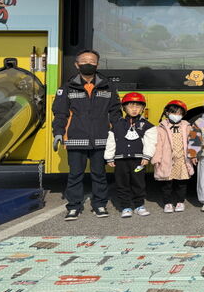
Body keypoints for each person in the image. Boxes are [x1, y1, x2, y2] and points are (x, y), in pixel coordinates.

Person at [52, 49, 121, 221]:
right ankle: (73, 206)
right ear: (77, 65)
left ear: (97, 64)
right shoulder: (67, 87)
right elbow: (60, 113)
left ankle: (100, 205)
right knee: (75, 175)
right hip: (76, 139)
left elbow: (115, 113)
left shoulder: (108, 86)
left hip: (101, 138)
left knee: (99, 174)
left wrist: (118, 134)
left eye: (92, 61)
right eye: (84, 61)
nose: (88, 64)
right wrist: (58, 133)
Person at [104, 92, 157, 218]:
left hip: (138, 160)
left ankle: (139, 205)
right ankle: (126, 206)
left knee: (138, 183)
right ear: (124, 108)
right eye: (131, 106)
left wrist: (147, 156)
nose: (134, 109)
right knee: (122, 184)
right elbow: (111, 142)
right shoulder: (117, 125)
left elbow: (150, 143)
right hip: (120, 160)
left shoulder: (147, 125)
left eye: (138, 106)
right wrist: (109, 157)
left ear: (142, 108)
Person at [151, 100, 195, 213]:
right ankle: (168, 203)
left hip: (182, 160)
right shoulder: (161, 128)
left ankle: (180, 201)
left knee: (182, 183)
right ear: (167, 113)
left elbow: (192, 141)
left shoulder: (186, 126)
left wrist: (193, 155)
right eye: (173, 113)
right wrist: (157, 159)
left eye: (179, 113)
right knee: (167, 183)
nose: (176, 115)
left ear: (183, 115)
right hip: (166, 159)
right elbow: (158, 145)